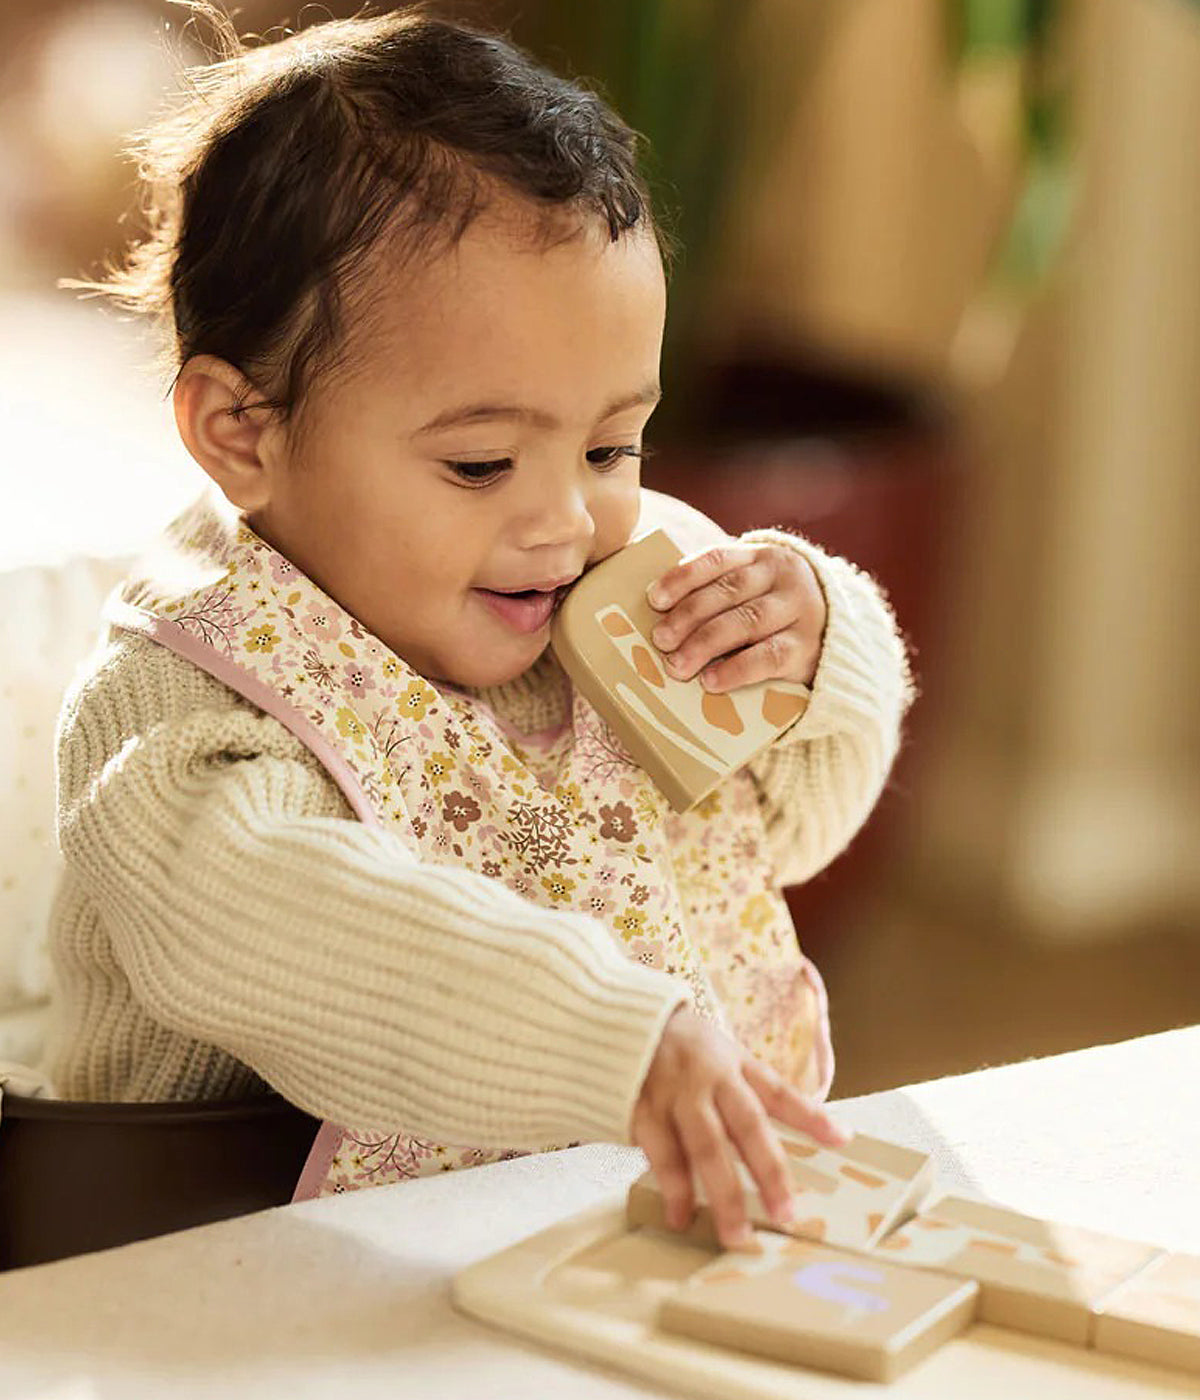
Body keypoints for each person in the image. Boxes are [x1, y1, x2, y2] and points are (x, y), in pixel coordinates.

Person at [49, 6, 913, 1251]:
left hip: (575, 1226)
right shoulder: (186, 706)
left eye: (611, 446)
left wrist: (819, 655)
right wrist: (618, 1037)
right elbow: (308, 941)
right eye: (481, 462)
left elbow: (785, 829)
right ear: (242, 433)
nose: (564, 519)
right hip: (227, 1260)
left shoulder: (607, 588)